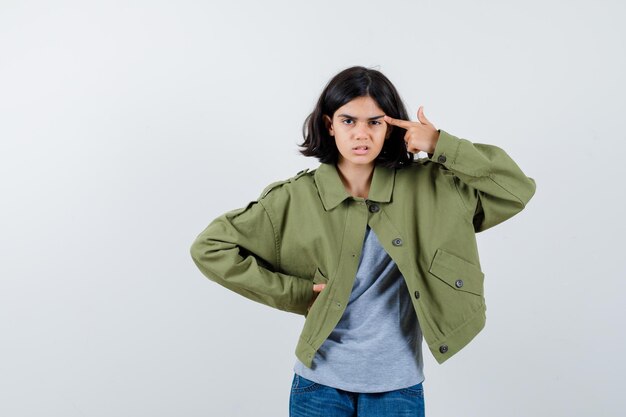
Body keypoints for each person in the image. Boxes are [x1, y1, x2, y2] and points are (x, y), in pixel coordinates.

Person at [189, 66, 536, 417]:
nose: (361, 134)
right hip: (318, 387)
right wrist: (295, 294)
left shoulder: (433, 187)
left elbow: (516, 189)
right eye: (348, 121)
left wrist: (438, 144)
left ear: (391, 128)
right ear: (329, 125)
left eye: (374, 122)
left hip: (397, 388)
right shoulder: (295, 198)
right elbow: (210, 247)